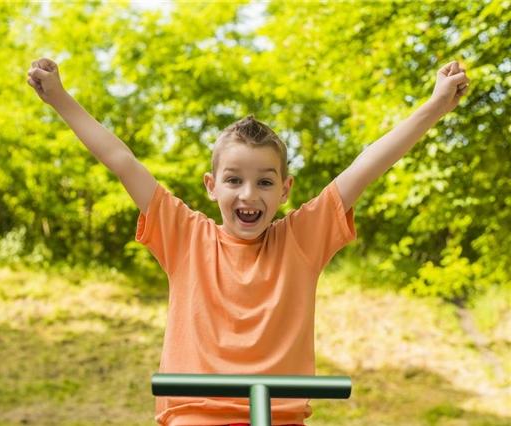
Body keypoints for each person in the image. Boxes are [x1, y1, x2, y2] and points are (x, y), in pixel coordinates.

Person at [27, 57, 470, 426]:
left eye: (264, 182)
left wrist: (434, 106)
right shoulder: (185, 235)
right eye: (234, 180)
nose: (248, 195)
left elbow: (367, 165)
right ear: (211, 186)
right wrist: (60, 98)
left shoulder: (301, 238)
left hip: (279, 416)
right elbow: (122, 161)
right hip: (195, 413)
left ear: (285, 190)